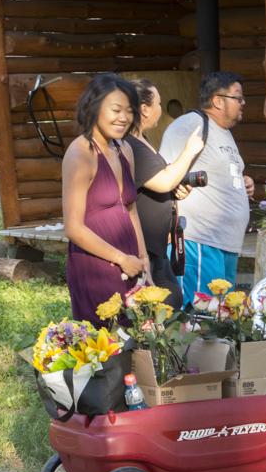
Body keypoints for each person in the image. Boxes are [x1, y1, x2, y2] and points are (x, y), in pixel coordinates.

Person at [159, 71, 254, 305]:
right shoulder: (191, 124)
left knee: (220, 317)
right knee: (199, 317)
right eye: (237, 97)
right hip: (198, 240)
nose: (243, 103)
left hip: (224, 244)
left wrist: (242, 183)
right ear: (218, 100)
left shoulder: (223, 132)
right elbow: (165, 172)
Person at [63, 73, 149, 328]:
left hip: (130, 260)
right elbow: (73, 228)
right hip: (95, 265)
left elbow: (131, 208)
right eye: (116, 109)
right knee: (108, 346)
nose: (123, 117)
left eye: (129, 111)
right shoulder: (80, 153)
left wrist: (144, 260)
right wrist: (121, 258)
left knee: (138, 338)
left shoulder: (125, 149)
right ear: (94, 107)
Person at [125, 79, 204, 309]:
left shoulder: (142, 140)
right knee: (165, 304)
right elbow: (163, 180)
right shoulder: (131, 145)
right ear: (145, 109)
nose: (161, 109)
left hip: (157, 244)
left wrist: (175, 192)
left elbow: (162, 182)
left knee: (171, 301)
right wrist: (189, 151)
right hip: (143, 246)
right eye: (158, 103)